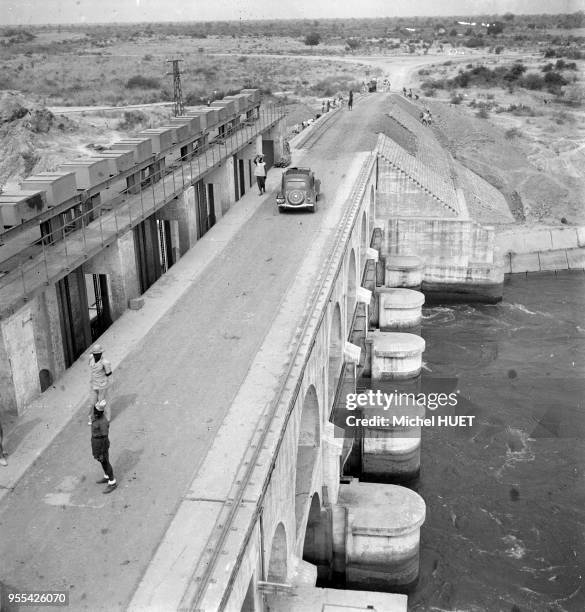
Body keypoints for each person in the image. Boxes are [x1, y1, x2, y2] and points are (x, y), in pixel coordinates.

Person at [91, 400, 117, 494]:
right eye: (94, 411)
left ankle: (112, 482)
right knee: (102, 461)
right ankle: (106, 476)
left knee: (105, 461)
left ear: (100, 413)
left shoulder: (103, 422)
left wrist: (102, 450)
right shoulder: (97, 417)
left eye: (96, 412)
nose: (94, 413)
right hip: (96, 442)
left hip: (102, 444)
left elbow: (105, 437)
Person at [88, 344, 112, 425]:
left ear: (101, 354)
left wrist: (108, 385)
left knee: (104, 403)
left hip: (102, 385)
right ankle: (91, 418)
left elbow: (109, 374)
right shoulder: (91, 358)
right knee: (92, 402)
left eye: (98, 354)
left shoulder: (105, 362)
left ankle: (107, 418)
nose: (96, 355)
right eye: (95, 354)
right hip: (93, 384)